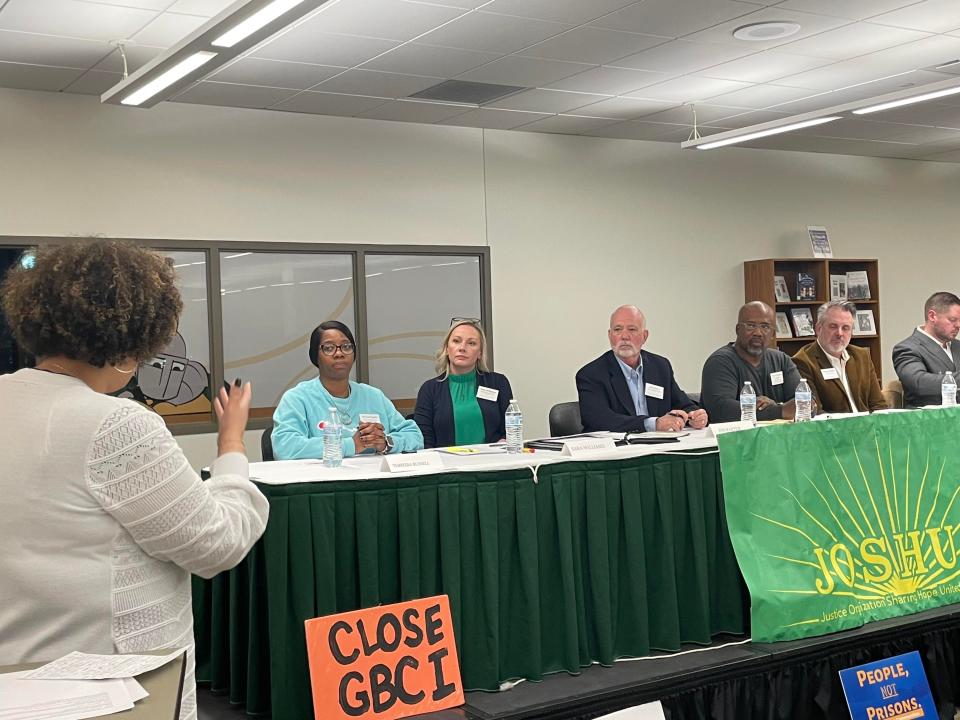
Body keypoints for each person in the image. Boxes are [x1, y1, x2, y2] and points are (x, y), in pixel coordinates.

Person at [0, 240, 268, 720]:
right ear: (138, 331)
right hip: (114, 686)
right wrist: (232, 445)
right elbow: (216, 543)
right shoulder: (116, 425)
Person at [272, 321, 423, 458]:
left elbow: (415, 437)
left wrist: (385, 443)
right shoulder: (297, 398)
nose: (339, 354)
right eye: (329, 348)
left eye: (346, 347)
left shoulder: (373, 396)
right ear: (315, 356)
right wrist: (352, 445)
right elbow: (285, 447)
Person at [576, 305, 707, 432]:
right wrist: (653, 424)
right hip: (619, 450)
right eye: (617, 329)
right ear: (610, 336)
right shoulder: (591, 374)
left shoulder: (660, 366)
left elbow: (683, 404)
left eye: (632, 329)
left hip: (661, 446)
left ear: (644, 336)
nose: (624, 336)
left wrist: (694, 416)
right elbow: (598, 420)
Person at [414, 318, 512, 448]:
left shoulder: (498, 383)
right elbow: (424, 440)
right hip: (448, 465)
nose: (462, 348)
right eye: (456, 341)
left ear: (480, 353)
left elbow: (511, 430)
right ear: (447, 349)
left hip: (492, 461)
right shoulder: (429, 389)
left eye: (471, 343)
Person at [701, 301, 802, 422]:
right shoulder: (720, 362)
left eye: (765, 326)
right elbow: (721, 410)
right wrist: (780, 411)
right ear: (738, 329)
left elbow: (807, 402)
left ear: (773, 334)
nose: (757, 333)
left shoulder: (781, 360)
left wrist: (776, 406)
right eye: (751, 325)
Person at [793, 301, 888, 413]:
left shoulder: (862, 356)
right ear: (818, 329)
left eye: (845, 328)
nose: (839, 333)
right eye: (833, 326)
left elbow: (878, 405)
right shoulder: (803, 361)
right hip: (834, 428)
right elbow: (815, 412)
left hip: (868, 427)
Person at [893, 291, 960, 407]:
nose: (958, 325)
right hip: (929, 420)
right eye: (953, 320)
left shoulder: (957, 345)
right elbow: (919, 383)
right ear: (932, 316)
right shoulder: (907, 348)